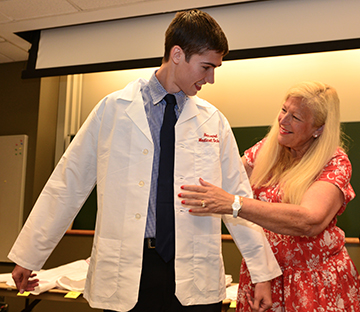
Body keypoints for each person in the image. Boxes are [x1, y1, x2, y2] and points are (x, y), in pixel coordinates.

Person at [8, 9, 281, 312]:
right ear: (177, 54)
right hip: (131, 270)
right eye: (206, 67)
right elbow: (68, 182)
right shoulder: (112, 110)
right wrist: (29, 255)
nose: (211, 78)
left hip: (193, 269)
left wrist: (263, 274)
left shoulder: (213, 121)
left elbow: (237, 197)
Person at [178, 81, 360, 311]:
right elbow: (225, 179)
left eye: (296, 117)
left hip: (313, 283)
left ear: (319, 128)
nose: (283, 121)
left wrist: (234, 203)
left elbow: (309, 220)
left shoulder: (335, 162)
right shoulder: (267, 149)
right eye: (284, 110)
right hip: (264, 276)